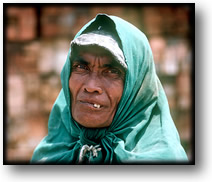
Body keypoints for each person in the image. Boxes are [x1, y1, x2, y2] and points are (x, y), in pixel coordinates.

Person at [31, 14, 188, 164]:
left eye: (112, 71)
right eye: (81, 67)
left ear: (137, 89)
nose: (91, 86)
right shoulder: (51, 154)